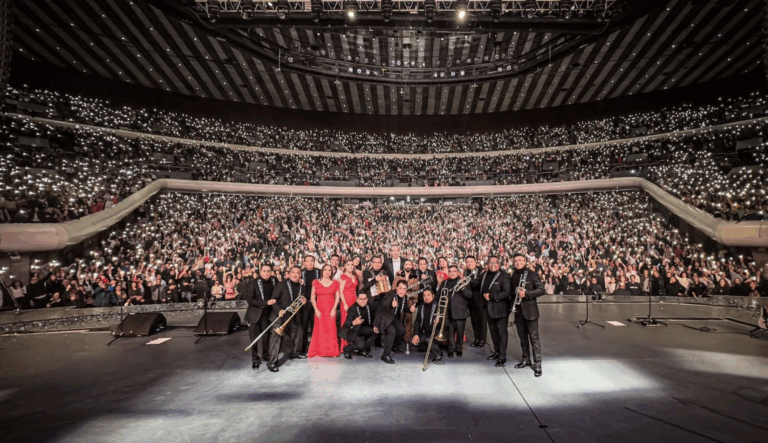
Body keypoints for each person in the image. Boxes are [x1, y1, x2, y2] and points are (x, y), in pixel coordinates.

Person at [510, 253, 545, 377]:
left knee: (534, 339)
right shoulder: (513, 275)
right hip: (519, 312)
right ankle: (526, 359)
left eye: (520, 260)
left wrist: (527, 293)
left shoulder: (532, 274)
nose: (518, 263)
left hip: (530, 312)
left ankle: (538, 364)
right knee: (522, 338)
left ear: (525, 261)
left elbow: (541, 290)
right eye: (516, 261)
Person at [267, 266, 305, 372]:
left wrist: (304, 302)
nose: (295, 275)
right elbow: (274, 299)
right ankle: (272, 363)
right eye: (293, 272)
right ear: (289, 274)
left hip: (292, 317)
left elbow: (302, 299)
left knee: (299, 332)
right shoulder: (281, 284)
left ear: (300, 275)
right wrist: (279, 310)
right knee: (276, 339)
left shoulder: (302, 286)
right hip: (279, 317)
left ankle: (295, 353)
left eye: (298, 273)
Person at [245, 263, 277, 369]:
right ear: (260, 272)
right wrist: (266, 303)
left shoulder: (274, 280)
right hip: (254, 315)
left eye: (269, 271)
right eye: (264, 271)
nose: (267, 273)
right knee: (254, 339)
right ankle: (255, 360)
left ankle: (265, 355)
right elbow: (250, 300)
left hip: (266, 315)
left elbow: (283, 286)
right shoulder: (253, 283)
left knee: (266, 337)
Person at [481, 256, 511, 367]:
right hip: (488, 309)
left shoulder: (505, 276)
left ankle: (502, 358)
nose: (493, 264)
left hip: (500, 310)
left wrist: (492, 296)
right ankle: (497, 352)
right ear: (487, 264)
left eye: (495, 262)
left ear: (499, 264)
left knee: (501, 334)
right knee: (493, 333)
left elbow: (507, 292)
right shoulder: (485, 274)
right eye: (490, 262)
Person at [437, 265, 472, 357]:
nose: (452, 273)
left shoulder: (463, 282)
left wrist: (463, 286)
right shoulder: (444, 283)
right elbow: (440, 296)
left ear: (458, 273)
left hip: (460, 311)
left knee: (460, 332)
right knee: (450, 332)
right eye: (450, 271)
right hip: (447, 312)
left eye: (454, 271)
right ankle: (451, 349)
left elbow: (469, 295)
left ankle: (459, 349)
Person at [307, 264, 341, 358]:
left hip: (331, 309)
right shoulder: (316, 282)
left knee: (331, 329)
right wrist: (316, 310)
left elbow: (337, 297)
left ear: (332, 272)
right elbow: (312, 297)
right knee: (319, 330)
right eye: (325, 270)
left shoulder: (335, 283)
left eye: (329, 270)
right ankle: (319, 351)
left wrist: (334, 309)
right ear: (322, 271)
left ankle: (332, 352)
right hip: (319, 309)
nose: (327, 272)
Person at [373, 279, 408, 364]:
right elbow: (380, 309)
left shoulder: (405, 297)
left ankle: (392, 345)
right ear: (396, 288)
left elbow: (403, 308)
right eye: (400, 288)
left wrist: (410, 309)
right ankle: (385, 355)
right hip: (384, 318)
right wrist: (376, 325)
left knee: (401, 331)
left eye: (404, 289)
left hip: (393, 318)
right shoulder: (389, 295)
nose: (402, 291)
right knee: (392, 331)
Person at [410, 288, 446, 362]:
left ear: (433, 296)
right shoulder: (421, 306)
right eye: (424, 296)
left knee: (428, 340)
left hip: (436, 333)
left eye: (429, 295)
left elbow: (445, 322)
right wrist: (416, 334)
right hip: (426, 333)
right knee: (411, 341)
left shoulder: (438, 306)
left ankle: (438, 353)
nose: (427, 298)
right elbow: (417, 322)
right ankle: (430, 347)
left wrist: (439, 321)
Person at [339, 292, 376, 359]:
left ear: (367, 299)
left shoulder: (370, 307)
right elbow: (345, 325)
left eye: (364, 299)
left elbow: (374, 317)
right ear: (357, 300)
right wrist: (353, 322)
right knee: (360, 345)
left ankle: (363, 350)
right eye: (361, 299)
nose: (363, 301)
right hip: (352, 331)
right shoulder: (352, 309)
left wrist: (375, 326)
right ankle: (347, 349)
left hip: (362, 329)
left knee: (375, 332)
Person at [299, 255, 320, 357]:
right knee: (303, 326)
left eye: (312, 261)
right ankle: (303, 349)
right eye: (307, 261)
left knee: (315, 326)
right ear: (304, 262)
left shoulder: (319, 272)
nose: (310, 263)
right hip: (304, 303)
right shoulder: (300, 273)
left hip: (316, 303)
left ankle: (315, 348)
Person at [465, 255, 487, 349]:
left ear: (475, 262)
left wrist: (468, 281)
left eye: (471, 261)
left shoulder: (482, 271)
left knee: (482, 322)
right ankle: (477, 338)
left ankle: (482, 340)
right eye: (467, 262)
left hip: (481, 301)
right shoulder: (466, 272)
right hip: (471, 302)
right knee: (474, 322)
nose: (469, 264)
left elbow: (479, 283)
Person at [338, 259, 359, 349]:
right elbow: (341, 291)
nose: (350, 266)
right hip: (346, 301)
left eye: (352, 265)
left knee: (354, 322)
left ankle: (351, 343)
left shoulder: (354, 276)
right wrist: (345, 303)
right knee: (346, 321)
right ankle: (344, 344)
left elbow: (355, 290)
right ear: (345, 267)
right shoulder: (343, 277)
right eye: (348, 265)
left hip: (354, 300)